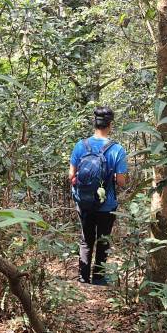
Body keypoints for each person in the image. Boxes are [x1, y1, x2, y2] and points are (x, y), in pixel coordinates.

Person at [69, 106, 128, 285]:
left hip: (84, 202)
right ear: (110, 124)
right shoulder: (117, 149)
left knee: (86, 239)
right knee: (103, 240)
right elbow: (121, 182)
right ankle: (99, 278)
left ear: (94, 123)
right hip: (106, 204)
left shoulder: (81, 146)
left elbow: (71, 175)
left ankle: (83, 277)